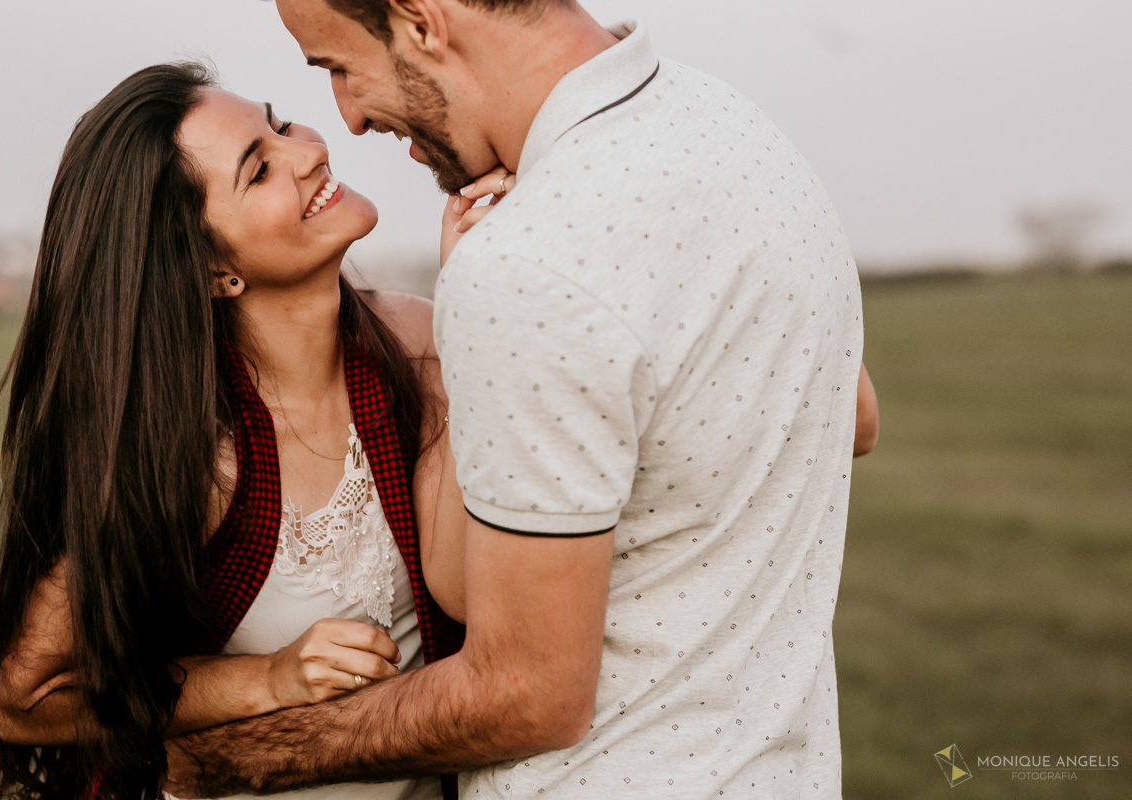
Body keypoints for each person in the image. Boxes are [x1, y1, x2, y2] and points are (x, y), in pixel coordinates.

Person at [165, 1, 870, 798]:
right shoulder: (731, 129)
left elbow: (523, 694)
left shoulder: (525, 264)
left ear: (421, 22)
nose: (349, 119)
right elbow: (852, 413)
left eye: (339, 69)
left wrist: (217, 764)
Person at [0, 62, 466, 800]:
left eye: (278, 122)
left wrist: (471, 317)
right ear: (209, 267)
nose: (308, 150)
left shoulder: (421, 342)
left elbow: (467, 594)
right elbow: (21, 700)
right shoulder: (197, 455)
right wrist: (266, 679)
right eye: (259, 169)